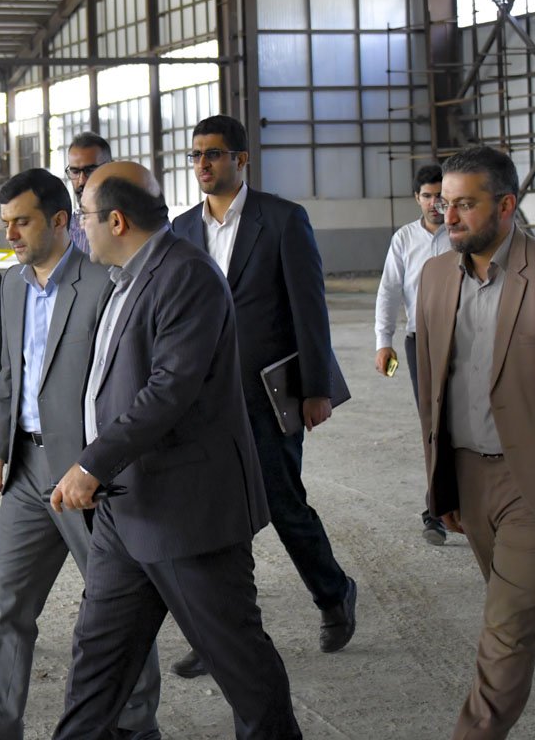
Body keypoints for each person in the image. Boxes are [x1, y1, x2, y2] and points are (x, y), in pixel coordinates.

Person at [48, 162, 300, 740]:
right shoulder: (125, 278)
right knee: (97, 663)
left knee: (238, 660)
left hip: (187, 511)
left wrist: (91, 463)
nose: (81, 228)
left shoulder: (186, 275)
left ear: (116, 220)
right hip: (126, 506)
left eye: (85, 216)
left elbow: (170, 391)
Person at [0, 168, 161, 740]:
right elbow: (9, 371)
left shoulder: (103, 281)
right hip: (24, 469)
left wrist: (100, 464)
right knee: (7, 602)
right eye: (6, 224)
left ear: (61, 220)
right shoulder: (11, 284)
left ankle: (135, 724)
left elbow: (128, 381)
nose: (10, 235)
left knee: (115, 605)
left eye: (21, 222)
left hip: (87, 472)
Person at [167, 114, 357, 680]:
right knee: (213, 515)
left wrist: (316, 389)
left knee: (281, 503)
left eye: (214, 153)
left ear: (241, 159)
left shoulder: (281, 219)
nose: (203, 164)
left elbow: (308, 307)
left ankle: (333, 592)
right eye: (196, 154)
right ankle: (221, 634)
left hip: (266, 394)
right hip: (203, 399)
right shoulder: (181, 228)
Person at [415, 146, 535, 740]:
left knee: (505, 630)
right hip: (467, 479)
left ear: (506, 206)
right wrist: (442, 485)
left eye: (465, 205)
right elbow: (430, 391)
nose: (448, 216)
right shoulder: (435, 278)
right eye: (444, 203)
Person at [373, 162, 452, 544]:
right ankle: (436, 510)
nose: (435, 203)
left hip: (464, 339)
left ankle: (465, 504)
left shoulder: (461, 234)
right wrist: (383, 341)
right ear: (417, 198)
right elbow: (389, 290)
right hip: (420, 341)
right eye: (428, 196)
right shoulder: (404, 239)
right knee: (432, 426)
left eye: (441, 196)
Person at [65, 132, 111, 254]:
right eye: (75, 172)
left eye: (90, 170)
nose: (81, 181)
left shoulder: (131, 222)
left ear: (110, 167)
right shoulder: (67, 228)